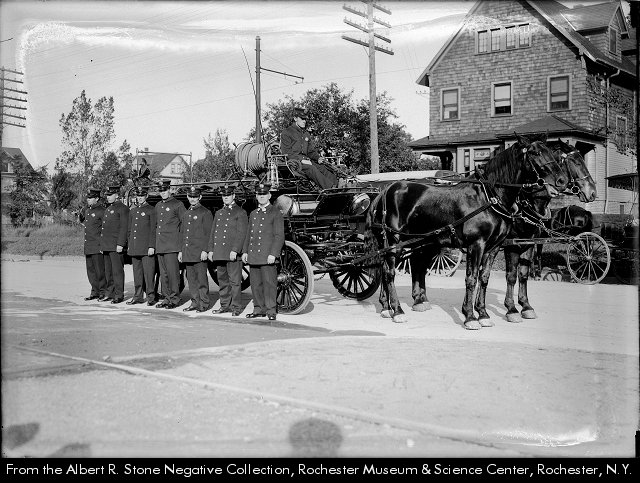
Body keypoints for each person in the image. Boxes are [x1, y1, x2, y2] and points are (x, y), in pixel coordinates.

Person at [242, 183, 285, 321]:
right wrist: (245, 251)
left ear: (269, 195)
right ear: (256, 196)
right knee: (256, 285)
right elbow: (249, 234)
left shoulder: (275, 213)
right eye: (259, 194)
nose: (261, 197)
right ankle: (258, 309)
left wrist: (273, 254)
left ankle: (271, 310)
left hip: (267, 256)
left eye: (264, 194)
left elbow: (279, 236)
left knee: (269, 284)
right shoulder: (253, 214)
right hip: (254, 255)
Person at [208, 184, 248, 316]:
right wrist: (211, 250)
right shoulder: (219, 213)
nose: (225, 197)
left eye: (228, 195)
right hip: (220, 252)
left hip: (232, 254)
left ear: (233, 196)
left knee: (235, 282)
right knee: (223, 281)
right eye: (224, 195)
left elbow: (242, 233)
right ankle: (224, 305)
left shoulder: (240, 212)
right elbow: (213, 232)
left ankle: (236, 307)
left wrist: (235, 250)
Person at [280, 107, 340, 190]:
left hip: (307, 161)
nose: (304, 121)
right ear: (295, 118)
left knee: (322, 167)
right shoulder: (287, 132)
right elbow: (287, 152)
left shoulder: (306, 134)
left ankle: (338, 186)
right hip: (294, 163)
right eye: (302, 119)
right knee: (311, 169)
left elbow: (310, 151)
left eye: (305, 119)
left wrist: (318, 158)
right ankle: (330, 189)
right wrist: (301, 160)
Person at [179, 186, 213, 312]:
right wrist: (181, 251)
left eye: (195, 197)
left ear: (200, 197)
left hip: (199, 252)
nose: (192, 199)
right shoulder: (187, 213)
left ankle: (204, 303)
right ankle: (194, 302)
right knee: (191, 279)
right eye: (190, 196)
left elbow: (208, 234)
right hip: (188, 252)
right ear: (187, 197)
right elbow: (183, 233)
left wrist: (205, 250)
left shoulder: (205, 212)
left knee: (201, 279)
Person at [154, 180, 187, 309]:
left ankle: (174, 299)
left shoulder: (177, 204)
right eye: (161, 191)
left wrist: (180, 246)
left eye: (165, 190)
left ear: (170, 190)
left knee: (173, 274)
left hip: (172, 245)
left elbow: (184, 224)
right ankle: (166, 298)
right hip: (161, 245)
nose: (163, 193)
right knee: (164, 275)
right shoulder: (158, 205)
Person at [126, 186, 158, 306]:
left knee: (149, 274)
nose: (139, 198)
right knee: (137, 274)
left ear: (146, 196)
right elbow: (130, 230)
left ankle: (151, 297)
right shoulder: (133, 211)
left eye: (142, 196)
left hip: (146, 248)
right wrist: (130, 245)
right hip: (135, 248)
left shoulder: (151, 210)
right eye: (138, 196)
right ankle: (138, 296)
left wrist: (151, 246)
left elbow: (153, 229)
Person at [100, 185, 130, 304]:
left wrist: (121, 244)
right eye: (107, 195)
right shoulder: (108, 208)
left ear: (117, 195)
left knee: (117, 271)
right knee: (108, 272)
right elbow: (105, 229)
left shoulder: (122, 208)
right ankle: (110, 293)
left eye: (110, 195)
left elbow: (124, 227)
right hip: (107, 245)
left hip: (116, 245)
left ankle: (119, 294)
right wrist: (102, 245)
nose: (108, 197)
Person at [81, 187, 107, 301]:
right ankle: (94, 291)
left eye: (91, 198)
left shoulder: (102, 211)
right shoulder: (87, 211)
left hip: (97, 246)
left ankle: (102, 291)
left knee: (100, 271)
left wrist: (102, 245)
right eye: (88, 198)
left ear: (97, 198)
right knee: (91, 271)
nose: (88, 199)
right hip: (89, 245)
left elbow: (105, 230)